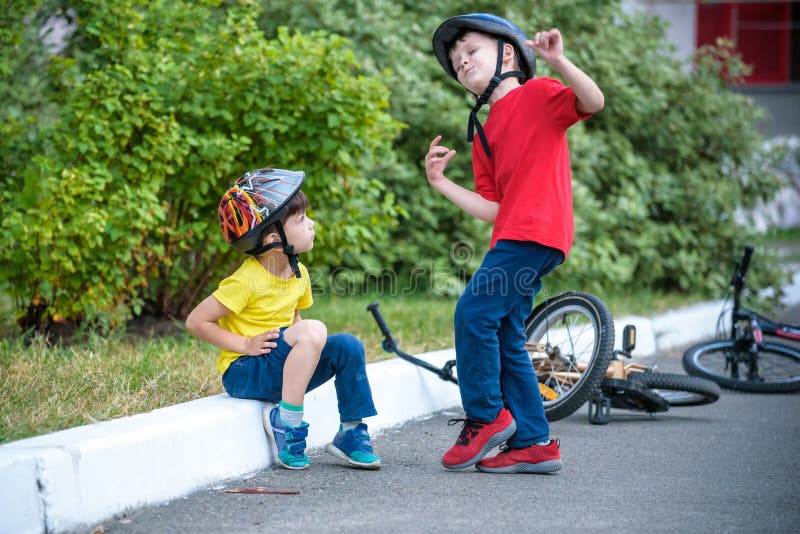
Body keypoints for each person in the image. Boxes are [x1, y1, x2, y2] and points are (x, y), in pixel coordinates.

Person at [426, 14, 604, 473]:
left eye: (471, 51)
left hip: (537, 231)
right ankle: (534, 442)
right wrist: (440, 183)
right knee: (506, 334)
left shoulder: (539, 94)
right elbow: (493, 207)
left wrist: (559, 62)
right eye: (455, 60)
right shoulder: (483, 134)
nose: (461, 62)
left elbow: (593, 100)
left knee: (473, 311)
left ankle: (486, 417)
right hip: (513, 235)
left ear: (507, 53)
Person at [186, 167, 381, 471]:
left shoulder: (298, 274)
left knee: (348, 346)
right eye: (302, 220)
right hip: (245, 372)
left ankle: (351, 432)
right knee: (314, 330)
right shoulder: (247, 280)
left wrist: (304, 343)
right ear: (275, 237)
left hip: (277, 369)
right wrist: (245, 343)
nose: (312, 224)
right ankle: (287, 423)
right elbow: (196, 321)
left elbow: (295, 321)